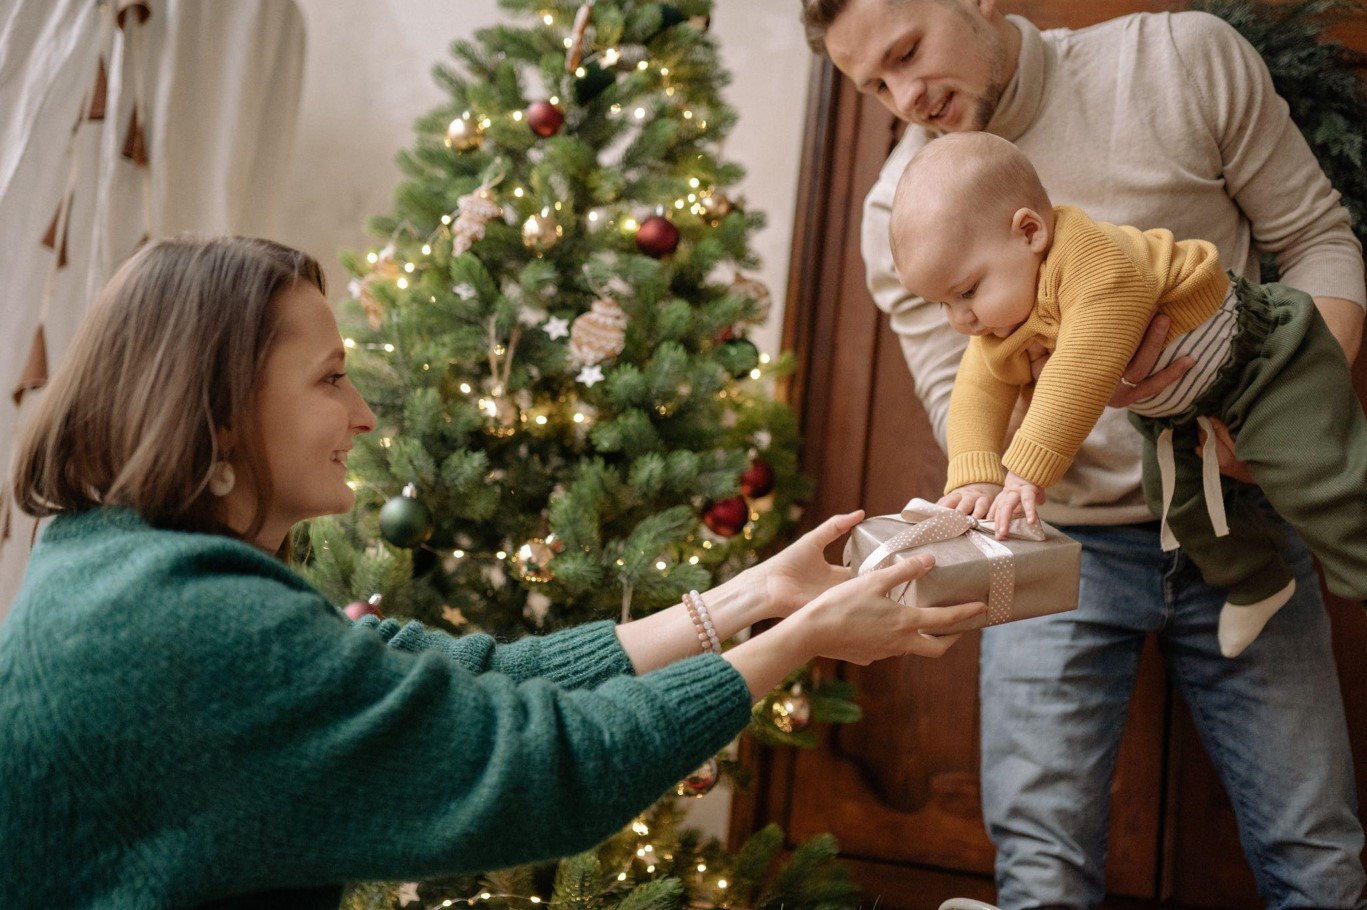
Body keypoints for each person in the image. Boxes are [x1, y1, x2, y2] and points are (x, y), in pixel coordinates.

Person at [0, 236, 986, 909]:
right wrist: (801, 641)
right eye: (330, 376)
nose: (364, 416)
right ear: (218, 415)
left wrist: (754, 598)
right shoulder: (187, 626)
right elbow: (539, 763)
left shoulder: (126, 564)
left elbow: (449, 682)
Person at [800, 0, 1367, 905]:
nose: (906, 97)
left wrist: (1282, 429)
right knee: (1041, 873)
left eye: (908, 52)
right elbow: (963, 386)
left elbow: (1316, 241)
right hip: (1056, 549)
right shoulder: (896, 212)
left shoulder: (1178, 61)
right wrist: (988, 490)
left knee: (1317, 858)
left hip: (1242, 514)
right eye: (873, 84)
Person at [891, 130, 1367, 658]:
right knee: (1179, 505)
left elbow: (1082, 364)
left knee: (1318, 480)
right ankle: (1256, 582)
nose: (962, 321)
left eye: (966, 292)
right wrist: (977, 472)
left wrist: (1025, 468)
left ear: (1029, 232)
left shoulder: (1094, 259)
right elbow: (975, 389)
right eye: (943, 305)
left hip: (1265, 361)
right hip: (1183, 412)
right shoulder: (1004, 319)